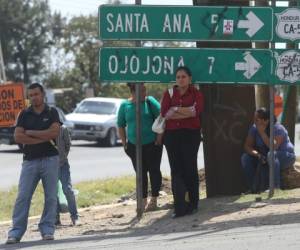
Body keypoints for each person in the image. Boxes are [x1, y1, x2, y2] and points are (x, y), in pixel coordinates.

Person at [6, 83, 60, 244]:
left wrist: (31, 133)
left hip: (51, 159)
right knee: (23, 197)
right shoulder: (24, 113)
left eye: (36, 94)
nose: (34, 98)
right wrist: (43, 137)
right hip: (30, 161)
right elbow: (18, 137)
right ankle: (16, 232)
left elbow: (55, 132)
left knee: (51, 197)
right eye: (31, 95)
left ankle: (47, 229)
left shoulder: (52, 112)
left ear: (43, 94)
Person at [160, 66, 204, 218]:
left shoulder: (196, 93)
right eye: (178, 77)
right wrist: (185, 111)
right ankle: (179, 207)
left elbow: (196, 111)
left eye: (183, 76)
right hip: (172, 135)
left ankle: (193, 204)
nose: (180, 79)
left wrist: (175, 110)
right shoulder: (169, 93)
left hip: (191, 135)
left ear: (189, 78)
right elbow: (165, 113)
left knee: (190, 168)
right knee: (176, 170)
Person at [118, 83, 163, 211]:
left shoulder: (150, 102)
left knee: (154, 171)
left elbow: (161, 118)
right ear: (133, 92)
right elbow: (120, 125)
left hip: (152, 144)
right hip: (134, 146)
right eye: (142, 91)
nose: (144, 93)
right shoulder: (125, 105)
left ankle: (154, 199)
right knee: (140, 173)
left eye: (145, 90)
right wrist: (124, 143)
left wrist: (159, 139)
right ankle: (142, 201)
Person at [241, 107, 296, 192]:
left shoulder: (278, 128)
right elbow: (247, 146)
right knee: (245, 158)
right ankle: (252, 188)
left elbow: (273, 147)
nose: (254, 121)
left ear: (265, 121)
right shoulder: (254, 129)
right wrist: (257, 154)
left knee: (271, 154)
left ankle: (275, 187)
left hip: (285, 156)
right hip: (265, 157)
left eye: (257, 119)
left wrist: (262, 133)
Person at [55, 120, 80, 226]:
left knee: (68, 190)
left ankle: (75, 217)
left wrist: (63, 157)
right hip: (49, 167)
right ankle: (55, 218)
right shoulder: (43, 129)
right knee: (52, 193)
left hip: (63, 165)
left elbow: (67, 145)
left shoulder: (63, 129)